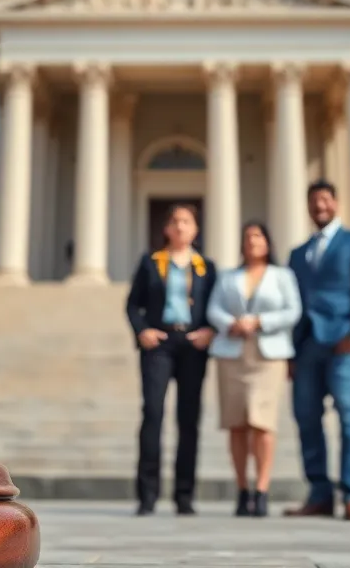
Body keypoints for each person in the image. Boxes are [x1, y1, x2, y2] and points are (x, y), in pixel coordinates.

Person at [284, 180, 350, 521]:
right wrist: (291, 353)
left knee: (347, 413)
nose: (319, 206)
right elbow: (292, 301)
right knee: (307, 418)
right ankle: (320, 494)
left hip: (344, 342)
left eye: (325, 200)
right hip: (307, 345)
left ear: (336, 203)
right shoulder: (298, 254)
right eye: (313, 201)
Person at [124, 203, 218, 516]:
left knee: (188, 419)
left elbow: (217, 307)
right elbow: (132, 305)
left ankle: (184, 495)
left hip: (193, 344)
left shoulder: (207, 266)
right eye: (175, 221)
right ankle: (147, 494)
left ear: (195, 229)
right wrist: (142, 331)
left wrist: (211, 330)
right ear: (166, 229)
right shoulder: (151, 263)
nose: (180, 227)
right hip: (159, 344)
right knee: (152, 414)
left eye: (186, 221)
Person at [207, 221, 302, 517]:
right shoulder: (227, 277)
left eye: (258, 236)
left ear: (268, 242)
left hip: (268, 355)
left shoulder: (282, 276)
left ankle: (261, 489)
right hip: (233, 354)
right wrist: (230, 323)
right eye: (247, 237)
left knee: (262, 423)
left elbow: (293, 310)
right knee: (237, 423)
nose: (252, 241)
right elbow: (213, 309)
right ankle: (241, 488)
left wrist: (259, 322)